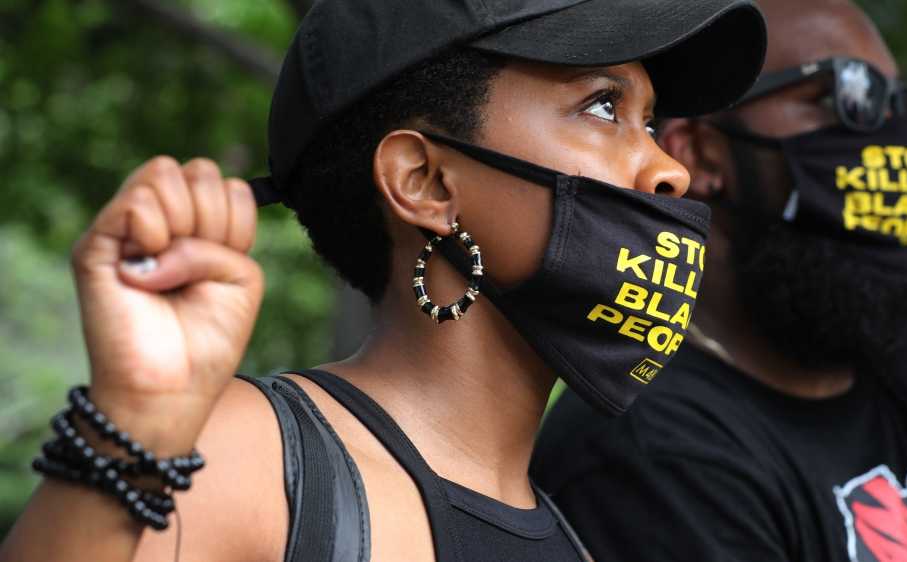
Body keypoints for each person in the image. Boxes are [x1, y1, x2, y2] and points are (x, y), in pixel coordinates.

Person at [0, 0, 768, 561]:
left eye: (650, 121)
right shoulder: (254, 459)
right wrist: (134, 420)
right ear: (425, 181)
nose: (668, 169)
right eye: (602, 106)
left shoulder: (568, 535)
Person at [531, 0, 907, 560]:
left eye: (900, 105)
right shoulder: (660, 455)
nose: (888, 137)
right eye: (843, 94)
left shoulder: (887, 320)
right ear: (698, 153)